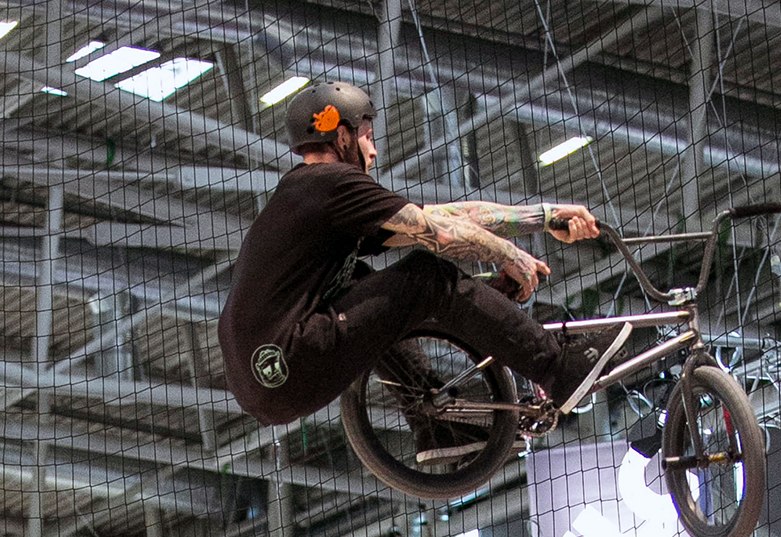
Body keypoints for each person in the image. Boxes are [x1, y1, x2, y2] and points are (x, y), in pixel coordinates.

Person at [218, 79, 601, 455]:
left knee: (369, 284)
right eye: (368, 136)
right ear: (343, 136)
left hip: (263, 381)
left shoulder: (311, 195)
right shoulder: (332, 182)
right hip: (290, 357)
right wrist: (510, 256)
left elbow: (446, 215)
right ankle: (556, 367)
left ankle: (436, 426)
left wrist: (544, 217)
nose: (375, 152)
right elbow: (439, 234)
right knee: (426, 275)